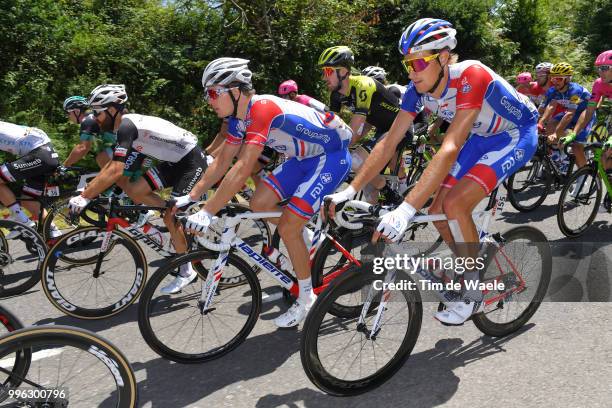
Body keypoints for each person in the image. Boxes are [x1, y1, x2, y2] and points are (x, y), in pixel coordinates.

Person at [325, 18, 539, 325]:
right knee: (439, 211)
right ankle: (472, 262)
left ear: (442, 57)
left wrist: (406, 209)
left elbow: (450, 146)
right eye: (407, 64)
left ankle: (473, 287)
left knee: (455, 205)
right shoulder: (416, 90)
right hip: (482, 137)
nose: (412, 72)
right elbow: (388, 144)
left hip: (516, 134)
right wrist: (348, 190)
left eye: (419, 63)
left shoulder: (471, 76)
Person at [181, 57, 352, 327]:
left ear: (235, 91)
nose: (209, 100)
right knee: (259, 202)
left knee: (287, 229)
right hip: (302, 159)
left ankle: (307, 298)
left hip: (330, 157)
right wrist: (191, 197)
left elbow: (243, 166)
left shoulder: (261, 108)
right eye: (207, 94)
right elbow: (222, 162)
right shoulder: (238, 119)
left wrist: (208, 210)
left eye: (213, 93)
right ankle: (306, 235)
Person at [68, 84, 208, 294]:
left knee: (171, 217)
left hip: (190, 162)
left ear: (113, 109)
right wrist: (90, 189)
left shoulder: (126, 126)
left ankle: (187, 271)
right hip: (172, 161)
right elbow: (114, 166)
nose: (95, 118)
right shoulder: (121, 128)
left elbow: (115, 169)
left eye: (97, 112)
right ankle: (173, 215)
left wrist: (86, 196)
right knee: (135, 190)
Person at [319, 46, 406, 203]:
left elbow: (354, 126)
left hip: (400, 127)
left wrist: (341, 145)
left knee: (357, 161)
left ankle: (391, 193)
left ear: (344, 71)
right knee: (366, 180)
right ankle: (371, 219)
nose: (324, 78)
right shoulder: (336, 95)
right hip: (380, 129)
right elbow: (334, 124)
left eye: (328, 71)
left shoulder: (363, 85)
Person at [0, 120, 60, 236]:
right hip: (46, 155)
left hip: (39, 155)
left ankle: (21, 219)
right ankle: (53, 233)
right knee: (28, 200)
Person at [539, 62, 595, 172]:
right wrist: (540, 122)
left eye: (558, 79)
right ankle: (562, 156)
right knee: (550, 125)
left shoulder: (575, 90)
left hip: (584, 114)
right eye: (553, 79)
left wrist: (556, 133)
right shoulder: (553, 90)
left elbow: (570, 113)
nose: (555, 82)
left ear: (567, 79)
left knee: (576, 147)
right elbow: (550, 107)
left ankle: (584, 174)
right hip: (570, 112)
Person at [573, 50, 612, 171]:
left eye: (605, 68)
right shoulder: (599, 84)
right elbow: (589, 111)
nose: (601, 72)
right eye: (599, 68)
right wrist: (574, 133)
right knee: (602, 159)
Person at [62, 96, 116, 168]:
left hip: (128, 142)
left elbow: (83, 148)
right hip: (128, 141)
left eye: (68, 113)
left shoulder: (87, 120)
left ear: (77, 111)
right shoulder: (92, 116)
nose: (68, 116)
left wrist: (65, 165)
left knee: (102, 158)